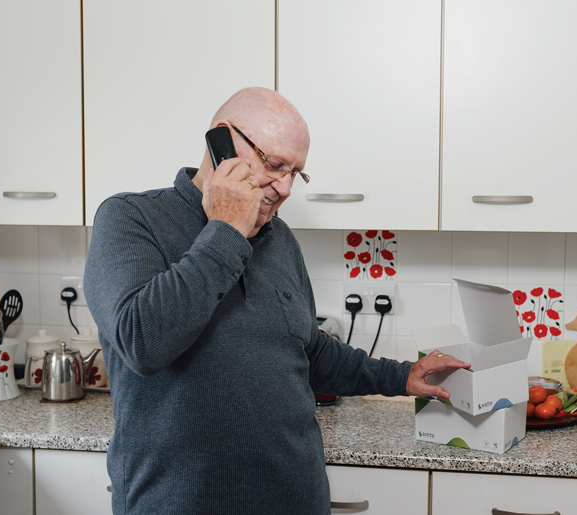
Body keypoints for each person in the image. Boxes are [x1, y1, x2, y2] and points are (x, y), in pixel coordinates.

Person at [84, 87, 470, 514]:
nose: (285, 187)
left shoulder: (280, 239)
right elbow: (142, 341)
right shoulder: (130, 218)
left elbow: (309, 351)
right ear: (222, 140)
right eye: (274, 165)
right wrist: (227, 228)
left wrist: (400, 376)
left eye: (295, 173)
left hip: (297, 499)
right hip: (178, 503)